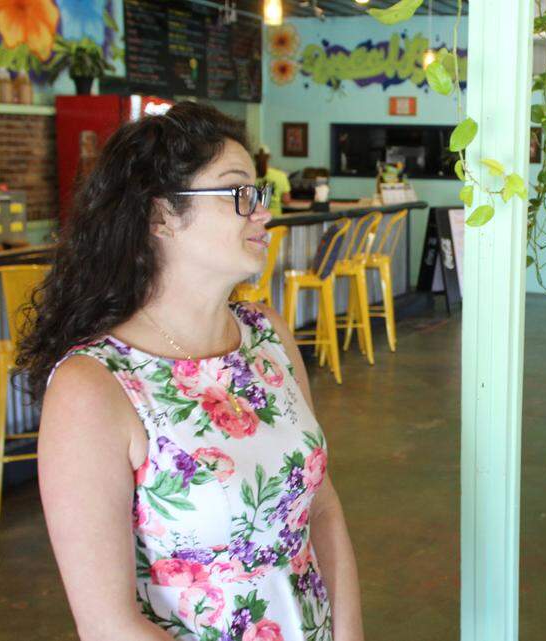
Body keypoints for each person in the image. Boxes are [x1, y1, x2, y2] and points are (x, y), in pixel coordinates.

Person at [18, 102, 364, 641]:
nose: (262, 212)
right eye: (238, 193)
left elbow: (322, 506)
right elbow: (108, 626)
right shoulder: (94, 388)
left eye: (260, 193)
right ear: (159, 216)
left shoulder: (267, 336)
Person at [254, 145, 292, 216]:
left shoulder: (249, 175)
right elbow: (286, 200)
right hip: (275, 219)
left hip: (255, 218)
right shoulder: (280, 175)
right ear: (269, 157)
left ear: (254, 158)